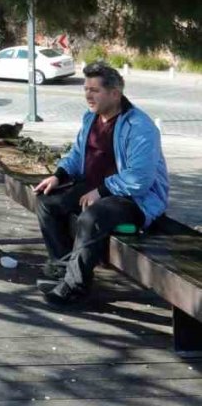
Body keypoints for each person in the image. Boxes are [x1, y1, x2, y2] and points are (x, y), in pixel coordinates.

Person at [33, 61, 168, 307]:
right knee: (46, 202)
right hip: (94, 188)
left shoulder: (139, 127)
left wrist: (101, 191)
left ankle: (76, 288)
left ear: (115, 94)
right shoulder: (91, 118)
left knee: (90, 218)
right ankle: (63, 270)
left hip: (133, 199)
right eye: (85, 89)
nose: (87, 95)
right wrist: (58, 176)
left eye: (94, 90)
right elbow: (76, 155)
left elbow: (140, 179)